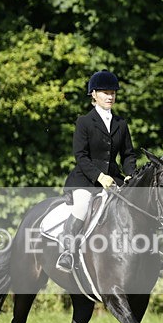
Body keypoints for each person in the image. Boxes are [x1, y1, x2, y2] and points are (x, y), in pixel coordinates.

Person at [56, 69, 136, 273]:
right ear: (94, 94)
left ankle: (151, 253)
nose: (110, 96)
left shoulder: (121, 123)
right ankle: (67, 251)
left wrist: (129, 174)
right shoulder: (84, 121)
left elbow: (128, 154)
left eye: (113, 93)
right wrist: (99, 176)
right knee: (82, 206)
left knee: (135, 205)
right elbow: (80, 156)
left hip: (114, 178)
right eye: (105, 92)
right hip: (86, 179)